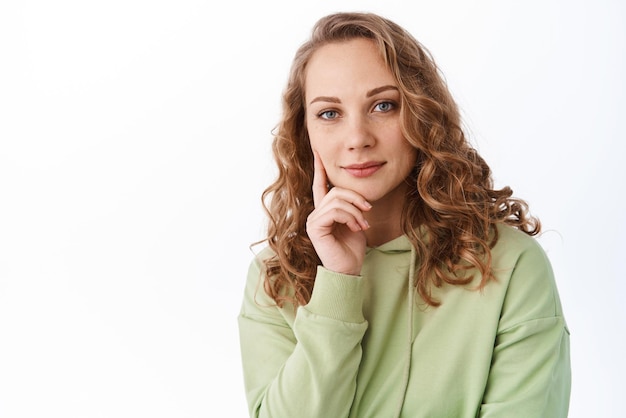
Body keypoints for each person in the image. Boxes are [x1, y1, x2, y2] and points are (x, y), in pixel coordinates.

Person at [238, 11, 571, 418]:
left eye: (383, 105)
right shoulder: (274, 278)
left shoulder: (510, 267)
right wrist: (338, 285)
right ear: (304, 132)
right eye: (329, 113)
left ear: (421, 114)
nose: (358, 138)